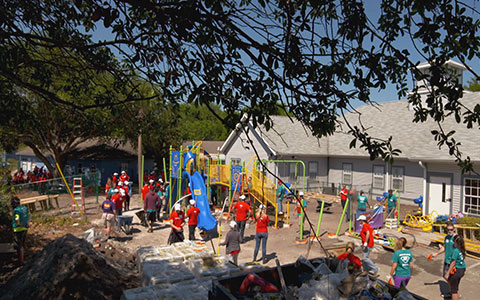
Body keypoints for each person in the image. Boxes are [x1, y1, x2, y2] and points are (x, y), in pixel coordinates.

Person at [431, 222, 456, 298]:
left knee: (452, 278)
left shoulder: (456, 238)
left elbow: (460, 250)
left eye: (451, 230)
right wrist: (437, 253)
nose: (450, 231)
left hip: (453, 262)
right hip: (447, 261)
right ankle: (452, 291)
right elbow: (444, 247)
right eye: (448, 230)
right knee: (446, 276)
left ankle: (454, 293)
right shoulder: (447, 237)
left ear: (454, 229)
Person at [445, 235, 466, 300]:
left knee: (453, 290)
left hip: (456, 270)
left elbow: (453, 262)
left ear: (456, 242)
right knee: (456, 287)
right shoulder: (462, 250)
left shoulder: (456, 251)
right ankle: (458, 297)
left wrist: (447, 273)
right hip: (462, 269)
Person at [11, 196, 29, 265]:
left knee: (19, 246)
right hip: (25, 228)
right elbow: (28, 215)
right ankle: (25, 257)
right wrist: (27, 223)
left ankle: (21, 261)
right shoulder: (24, 208)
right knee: (23, 243)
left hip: (18, 230)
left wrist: (18, 223)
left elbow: (16, 219)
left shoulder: (16, 210)